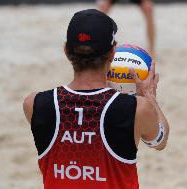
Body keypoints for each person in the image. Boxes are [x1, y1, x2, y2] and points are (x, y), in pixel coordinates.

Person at [23, 9, 169, 189]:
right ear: (113, 53)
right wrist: (150, 97)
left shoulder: (34, 104)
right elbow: (160, 141)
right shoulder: (136, 109)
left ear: (66, 50)